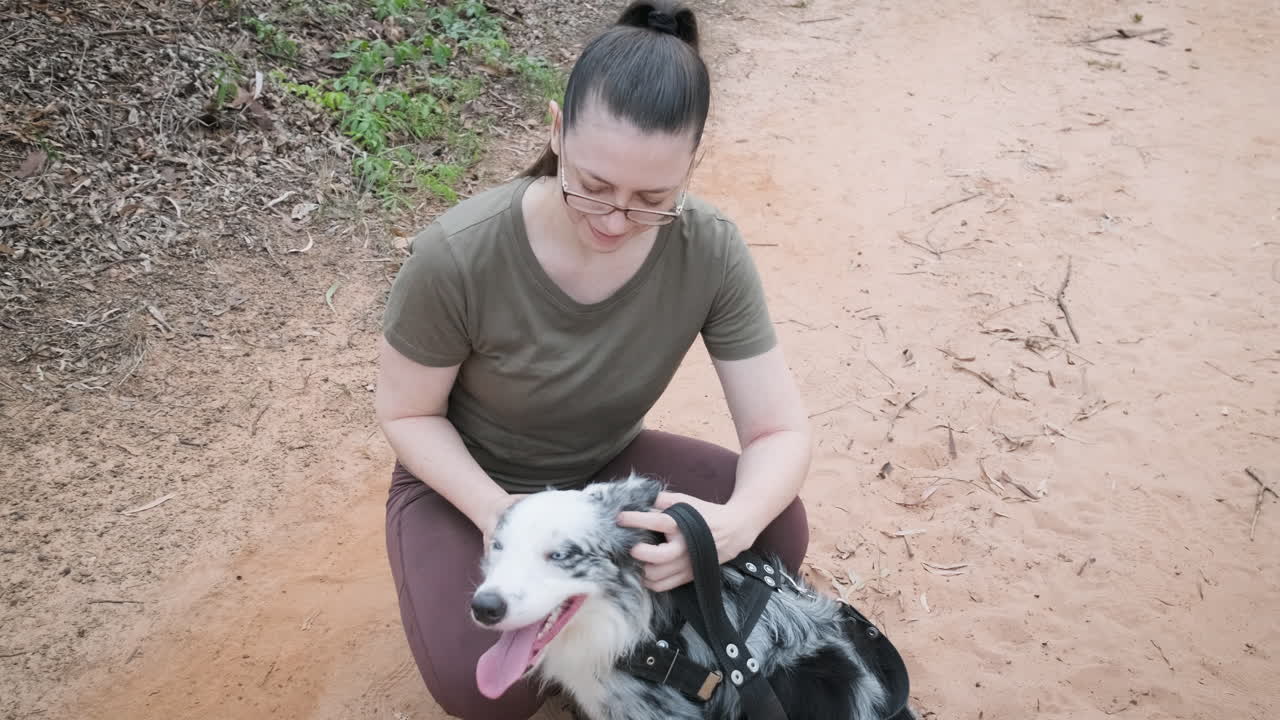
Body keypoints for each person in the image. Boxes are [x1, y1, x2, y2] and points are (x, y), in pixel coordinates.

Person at [373, 2, 813, 717]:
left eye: (652, 199)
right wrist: (499, 515)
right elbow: (406, 411)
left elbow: (779, 433)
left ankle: (632, 655)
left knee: (776, 529)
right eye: (594, 185)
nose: (614, 221)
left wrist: (726, 529)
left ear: (691, 167)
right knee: (484, 690)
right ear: (555, 131)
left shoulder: (709, 249)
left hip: (598, 479)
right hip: (478, 486)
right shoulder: (458, 254)